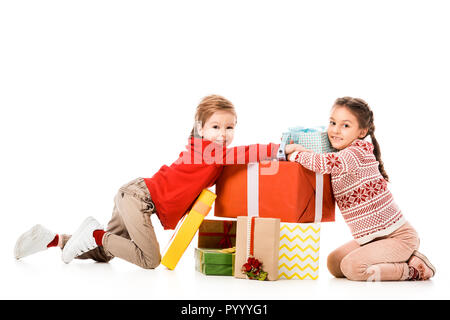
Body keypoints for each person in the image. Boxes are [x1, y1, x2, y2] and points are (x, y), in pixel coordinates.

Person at [14, 95, 280, 269]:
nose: (223, 134)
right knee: (150, 259)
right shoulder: (208, 151)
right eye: (215, 127)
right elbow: (243, 153)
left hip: (134, 195)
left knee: (107, 252)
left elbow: (235, 161)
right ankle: (94, 233)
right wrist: (282, 150)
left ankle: (53, 239)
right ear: (200, 129)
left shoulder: (209, 154)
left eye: (229, 128)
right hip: (138, 198)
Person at [285, 97, 436, 281]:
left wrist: (295, 154)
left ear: (362, 131)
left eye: (345, 125)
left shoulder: (358, 151)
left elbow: (324, 163)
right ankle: (394, 259)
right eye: (332, 123)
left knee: (352, 267)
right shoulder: (341, 154)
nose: (335, 130)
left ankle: (412, 269)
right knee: (334, 263)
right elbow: (323, 161)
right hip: (372, 238)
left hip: (398, 237)